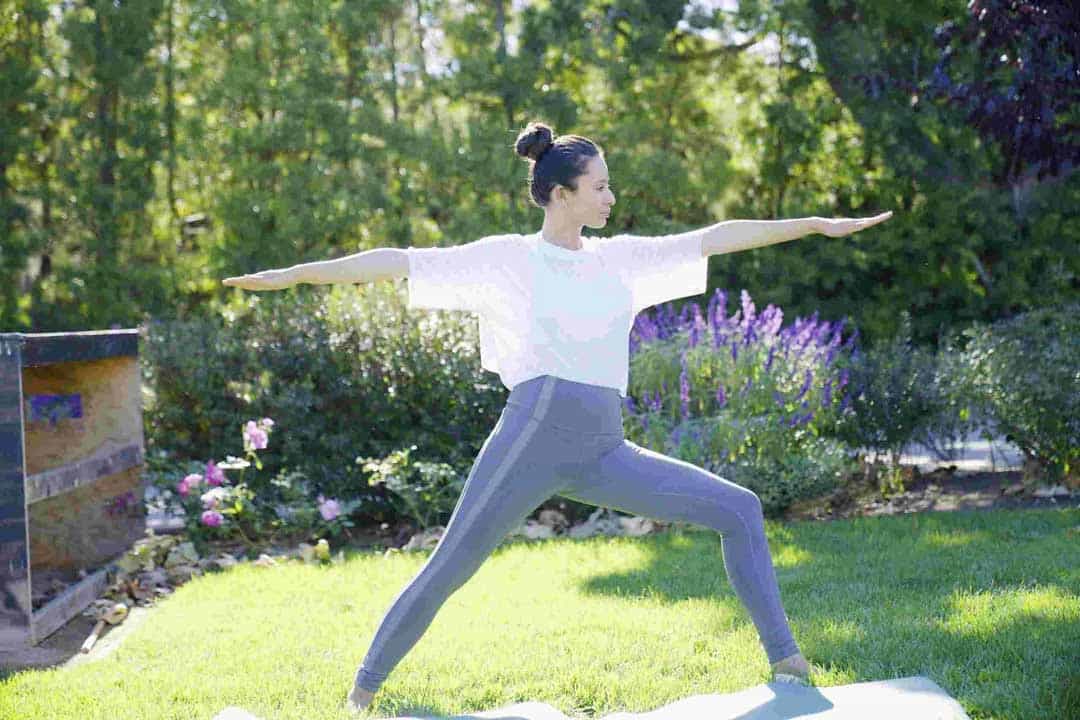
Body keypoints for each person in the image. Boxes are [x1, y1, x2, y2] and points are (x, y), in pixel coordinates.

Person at [222, 121, 892, 714]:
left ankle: (789, 664)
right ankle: (362, 694)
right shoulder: (508, 259)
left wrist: (814, 224)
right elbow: (394, 262)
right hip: (533, 436)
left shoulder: (621, 260)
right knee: (451, 564)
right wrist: (290, 274)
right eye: (599, 187)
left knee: (739, 509)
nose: (611, 198)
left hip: (603, 449)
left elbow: (715, 237)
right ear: (562, 193)